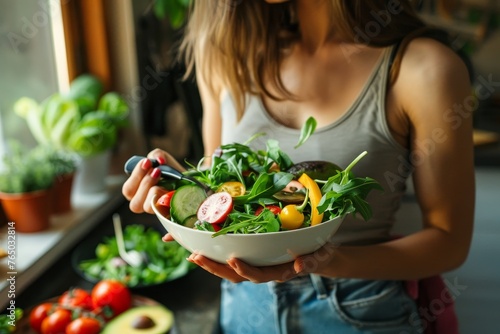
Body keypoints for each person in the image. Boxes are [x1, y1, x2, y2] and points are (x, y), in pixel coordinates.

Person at [123, 0, 475, 333]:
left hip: (357, 310)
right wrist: (182, 188)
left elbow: (449, 242)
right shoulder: (224, 52)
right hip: (244, 310)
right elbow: (226, 192)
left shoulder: (425, 69)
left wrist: (325, 261)